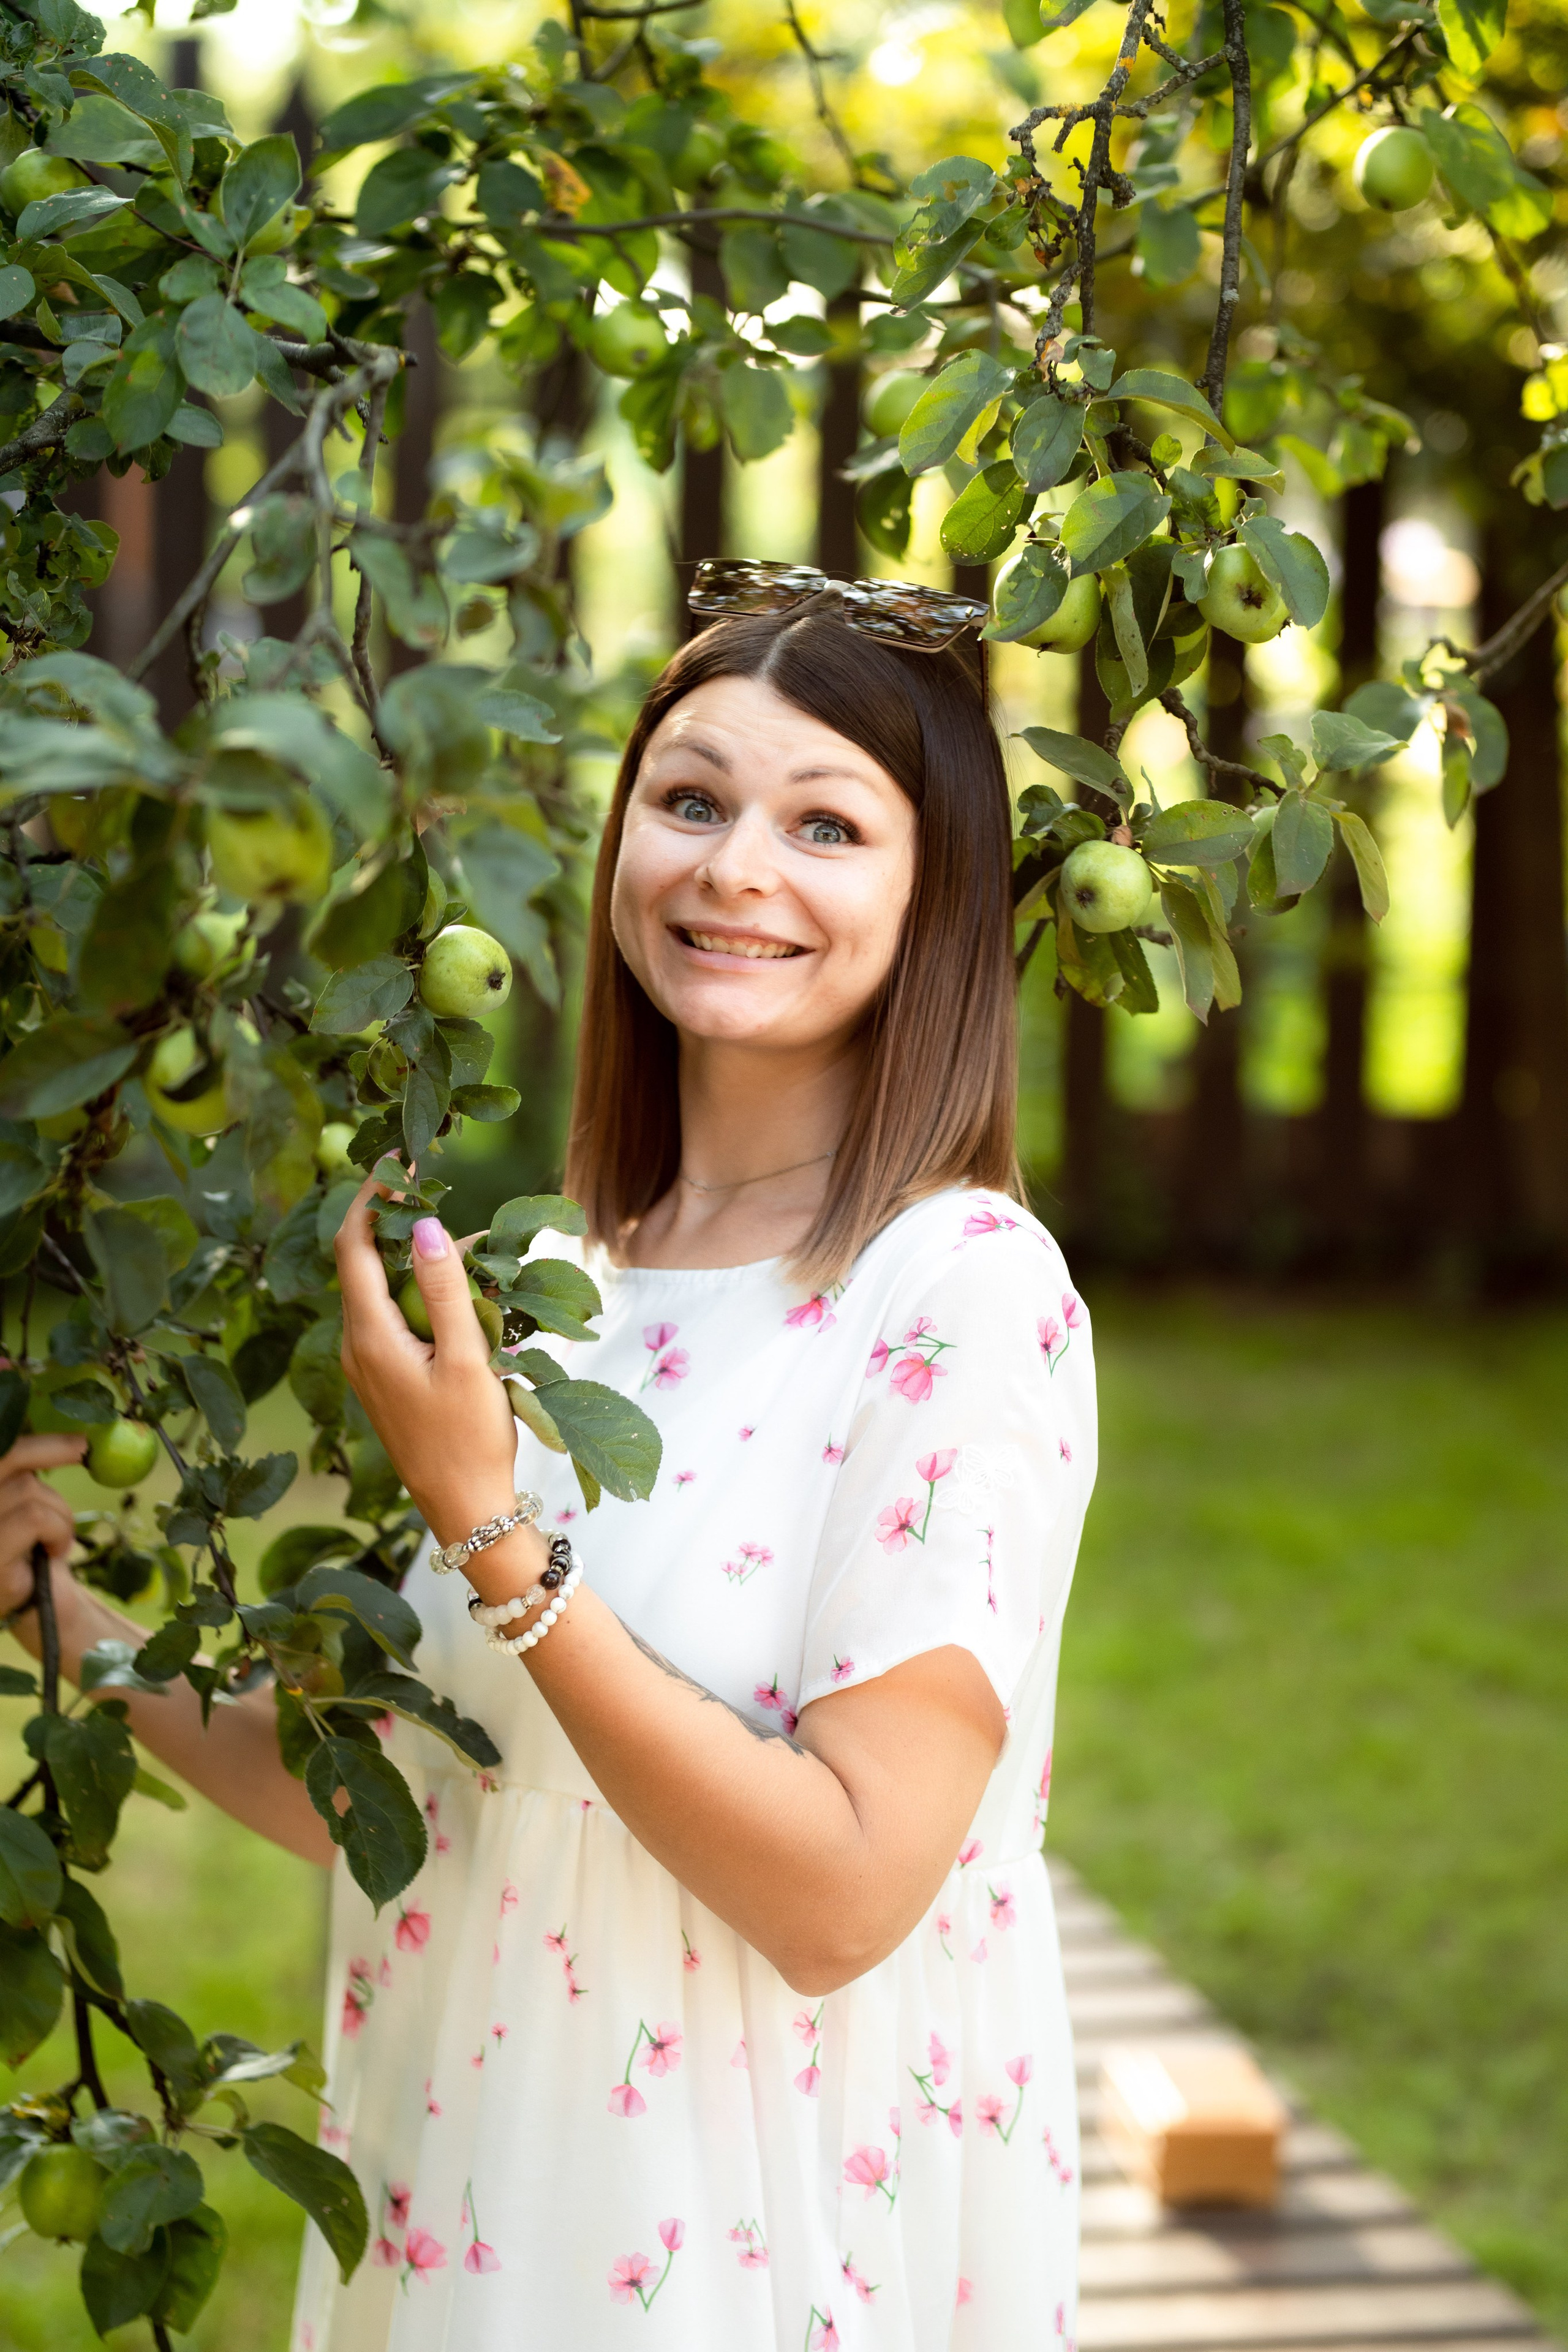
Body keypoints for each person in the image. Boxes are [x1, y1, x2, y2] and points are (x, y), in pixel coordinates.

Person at [1, 568, 1097, 2351]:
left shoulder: (960, 1294)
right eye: (692, 801)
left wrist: (497, 1536)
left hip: (748, 2248)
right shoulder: (559, 1281)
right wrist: (77, 1637)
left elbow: (842, 1894)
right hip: (486, 2214)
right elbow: (430, 1796)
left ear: (937, 897)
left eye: (826, 824)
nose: (737, 868)